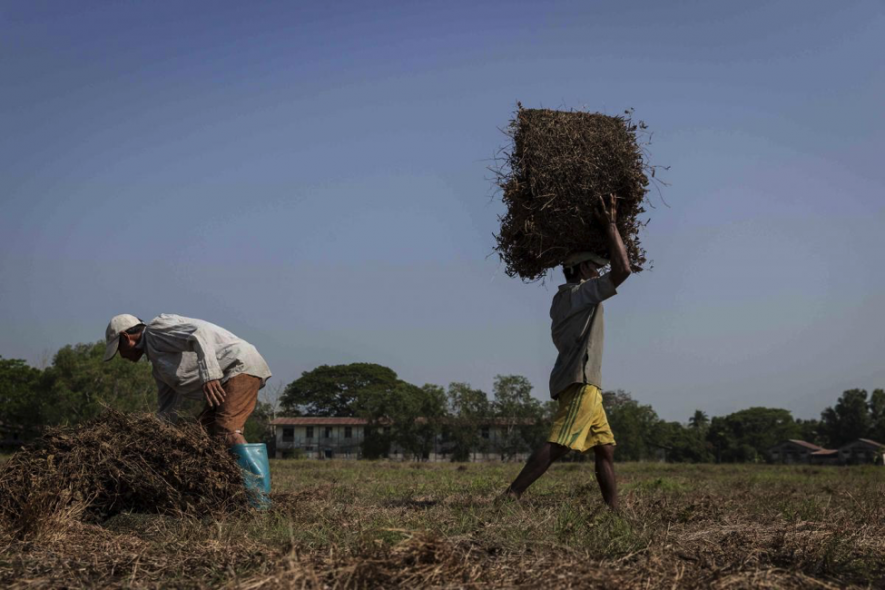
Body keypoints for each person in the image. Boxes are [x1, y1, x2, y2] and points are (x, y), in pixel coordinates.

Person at [503, 194, 631, 509]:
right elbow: (624, 270)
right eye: (595, 267)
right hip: (581, 382)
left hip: (582, 382)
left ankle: (616, 512)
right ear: (580, 269)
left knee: (605, 450)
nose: (600, 273)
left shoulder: (562, 299)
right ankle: (509, 497)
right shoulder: (581, 294)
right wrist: (611, 224)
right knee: (560, 444)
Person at [103, 313, 272, 447]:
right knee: (202, 436)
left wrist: (210, 374)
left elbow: (199, 333)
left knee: (227, 431)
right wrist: (154, 436)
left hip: (238, 365)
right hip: (226, 378)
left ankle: (257, 488)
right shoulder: (159, 366)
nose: (122, 356)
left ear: (126, 338)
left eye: (119, 349)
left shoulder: (156, 330)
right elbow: (167, 409)